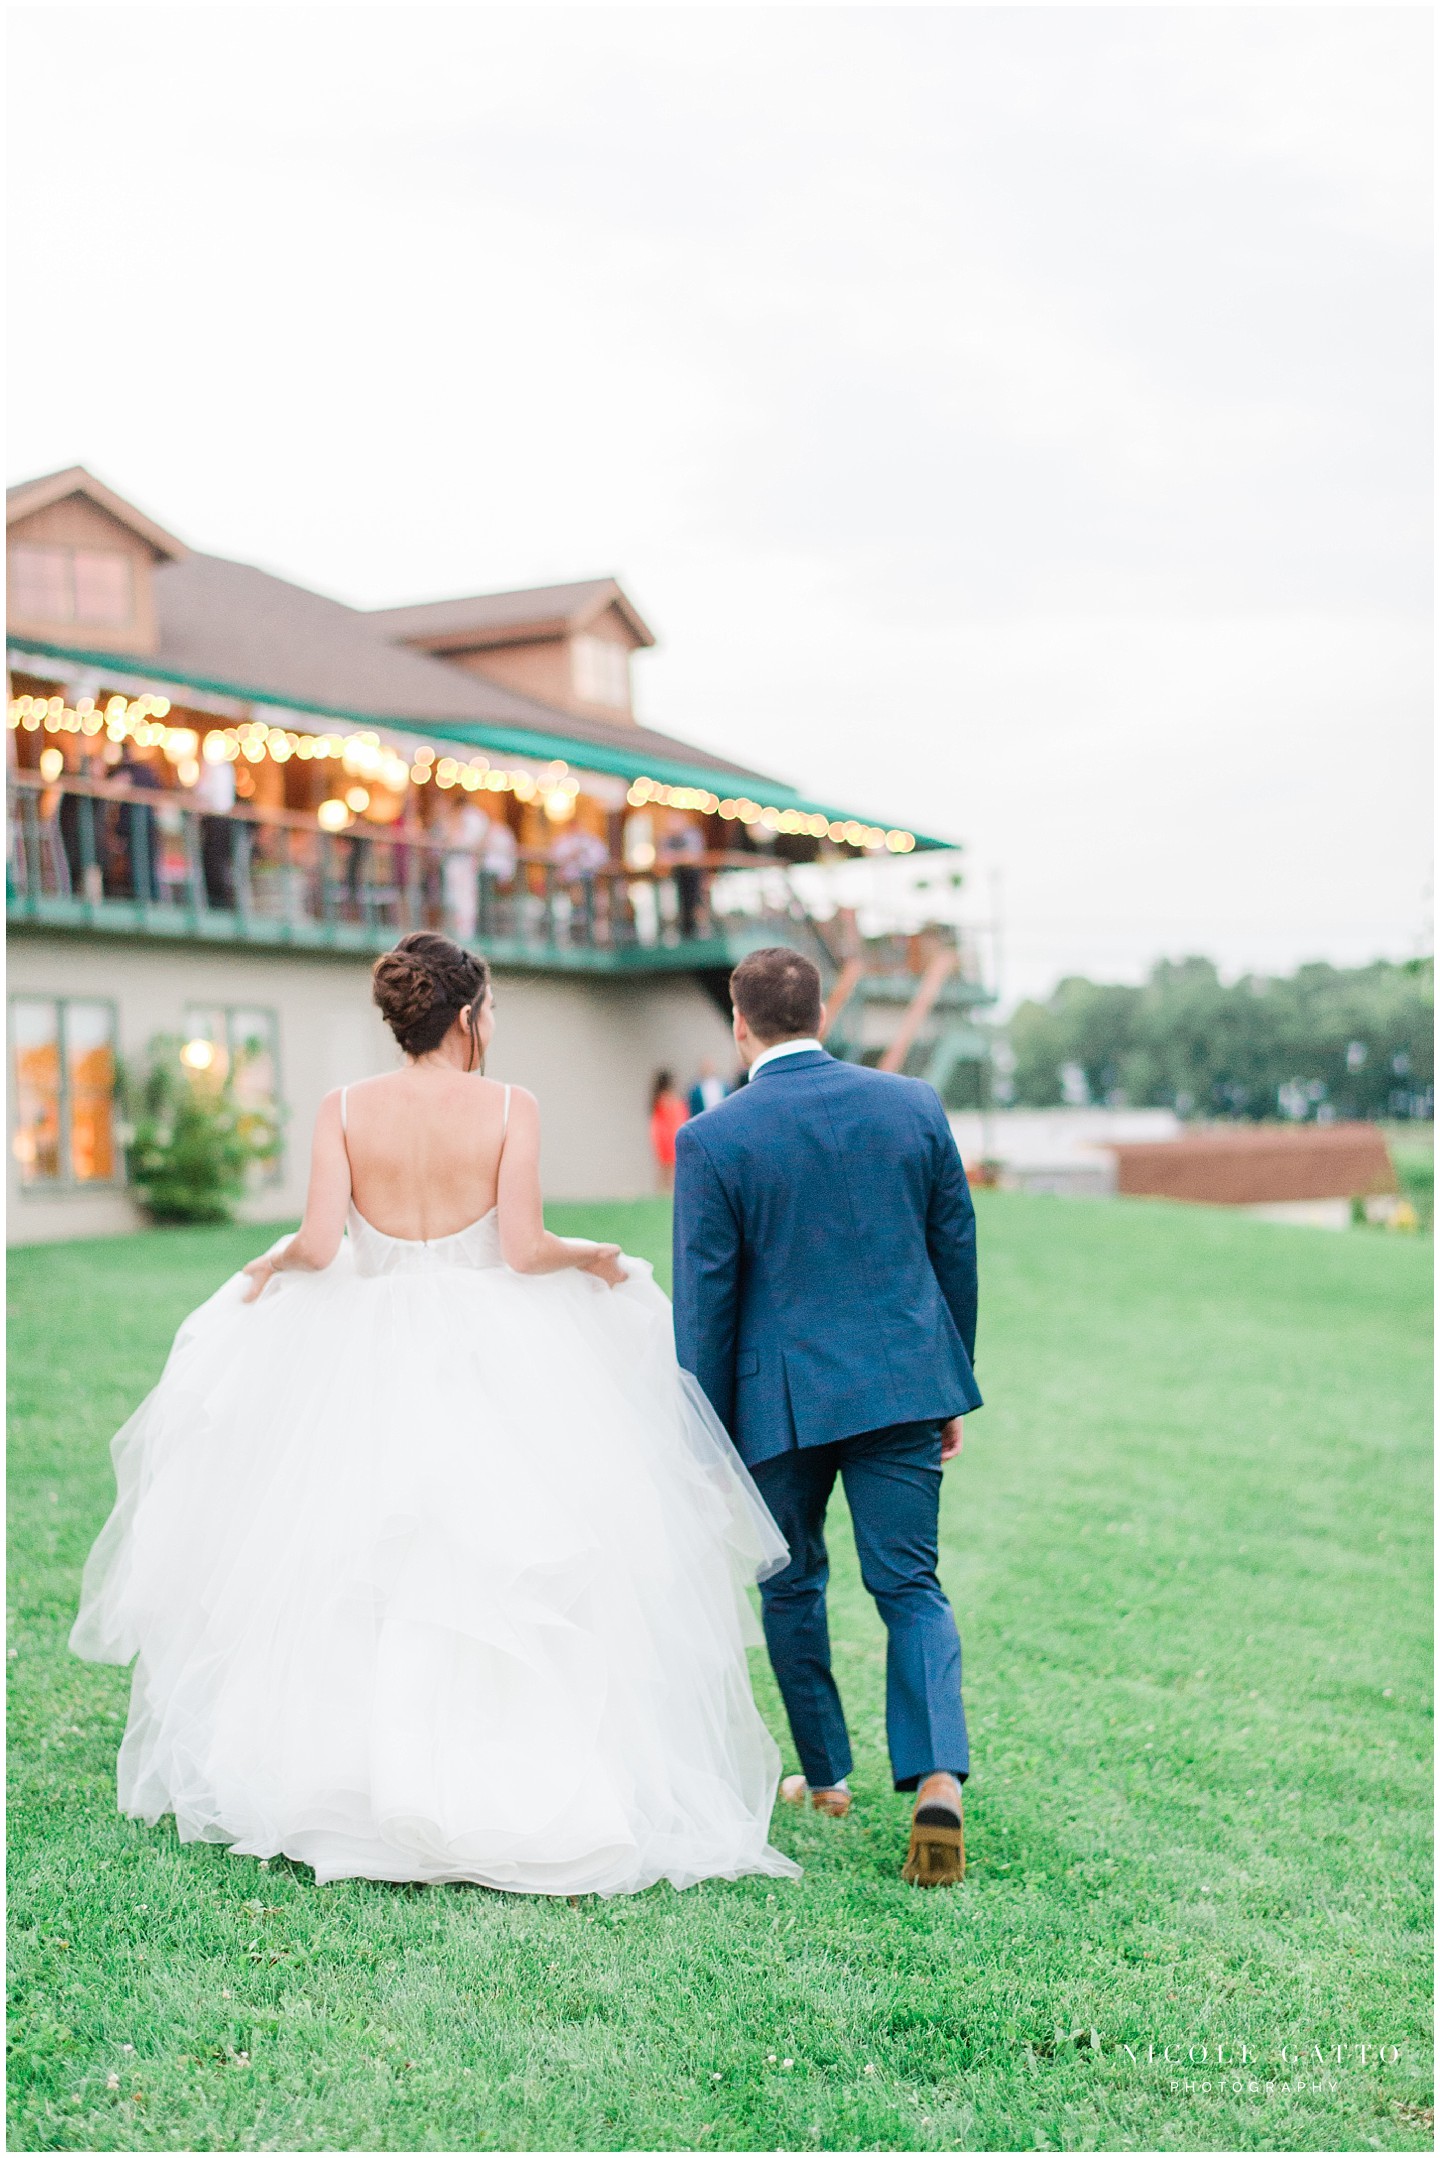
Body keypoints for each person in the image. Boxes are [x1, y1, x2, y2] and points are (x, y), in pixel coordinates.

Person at [70, 931, 797, 1898]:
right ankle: (510, 1776)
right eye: (488, 1009)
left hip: (364, 1354)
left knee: (358, 1560)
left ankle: (353, 1781)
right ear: (464, 1016)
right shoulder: (509, 1106)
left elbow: (324, 1244)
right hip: (491, 1348)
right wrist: (592, 1258)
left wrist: (273, 1264)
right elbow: (526, 1247)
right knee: (500, 1555)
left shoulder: (342, 1108)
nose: (491, 1024)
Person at [672, 946, 982, 1888]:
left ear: (740, 1022)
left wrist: (707, 1433)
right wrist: (949, 1377)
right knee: (911, 1586)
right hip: (904, 1383)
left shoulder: (714, 1138)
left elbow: (706, 1306)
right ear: (819, 1012)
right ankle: (937, 1781)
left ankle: (829, 1775)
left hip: (781, 1401)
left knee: (793, 1582)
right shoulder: (913, 1105)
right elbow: (954, 1248)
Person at [648, 1069, 689, 1193]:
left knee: (668, 1167)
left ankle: (666, 1191)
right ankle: (667, 1192)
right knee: (668, 1166)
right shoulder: (664, 1098)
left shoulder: (662, 1097)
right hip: (667, 1134)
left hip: (665, 1132)